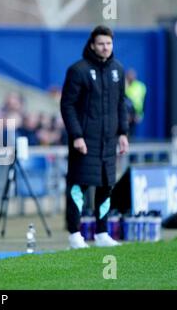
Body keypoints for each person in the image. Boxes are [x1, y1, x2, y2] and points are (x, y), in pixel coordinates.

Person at [60, 25, 129, 249]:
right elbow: (67, 105)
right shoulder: (78, 70)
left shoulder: (118, 70)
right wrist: (77, 135)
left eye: (108, 43)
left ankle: (101, 233)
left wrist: (123, 133)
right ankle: (74, 234)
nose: (105, 47)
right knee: (79, 186)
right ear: (92, 45)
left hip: (108, 141)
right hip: (84, 142)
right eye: (101, 43)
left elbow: (121, 104)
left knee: (106, 186)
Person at [125, 68, 146, 136]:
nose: (131, 77)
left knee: (132, 133)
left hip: (135, 114)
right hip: (126, 114)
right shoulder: (124, 85)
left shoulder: (140, 86)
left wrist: (140, 114)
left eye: (133, 75)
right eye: (129, 75)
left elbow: (144, 101)